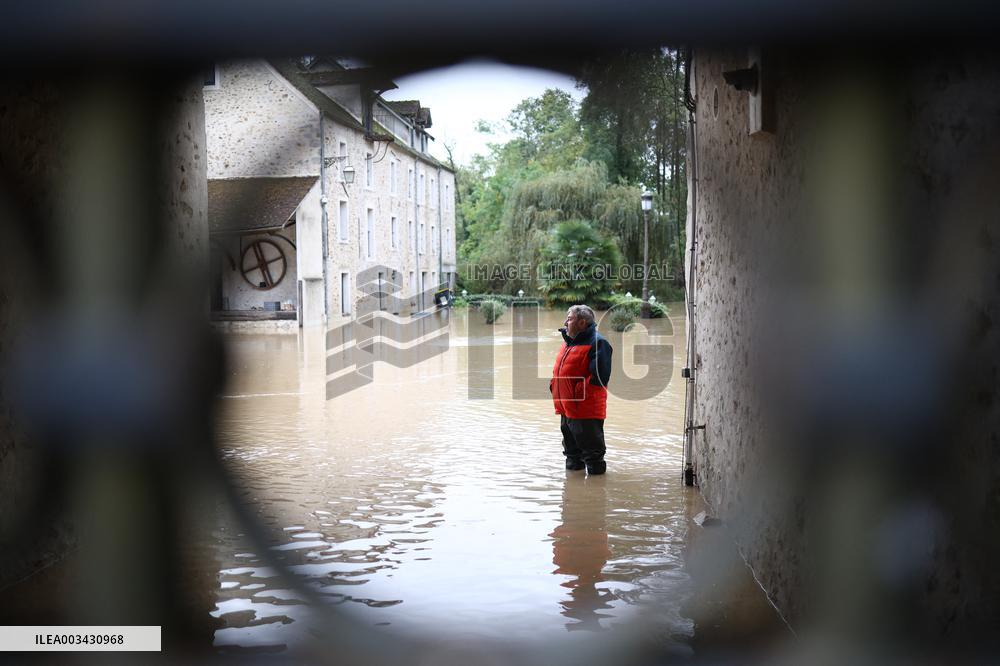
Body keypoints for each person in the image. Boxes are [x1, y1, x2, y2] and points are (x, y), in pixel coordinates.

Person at [550, 305, 613, 475]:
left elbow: (600, 378)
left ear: (582, 323)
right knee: (572, 455)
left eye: (569, 319)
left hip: (585, 412)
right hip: (566, 409)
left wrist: (577, 393)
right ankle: (572, 496)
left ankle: (596, 497)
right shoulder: (568, 342)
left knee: (593, 457)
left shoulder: (598, 343)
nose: (565, 322)